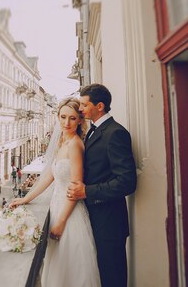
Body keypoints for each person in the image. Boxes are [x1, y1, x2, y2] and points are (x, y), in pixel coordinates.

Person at [11, 98, 101, 287]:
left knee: (71, 269)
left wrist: (61, 222)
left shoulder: (75, 145)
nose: (66, 123)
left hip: (70, 213)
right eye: (63, 117)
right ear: (58, 116)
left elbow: (76, 187)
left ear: (79, 121)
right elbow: (49, 177)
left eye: (72, 118)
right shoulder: (63, 142)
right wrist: (25, 198)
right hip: (56, 206)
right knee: (58, 267)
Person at [67, 84, 138, 287]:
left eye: (84, 105)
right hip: (95, 218)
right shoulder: (92, 130)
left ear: (100, 106)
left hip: (110, 222)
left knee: (112, 278)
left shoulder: (115, 133)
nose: (80, 109)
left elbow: (127, 182)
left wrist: (87, 191)